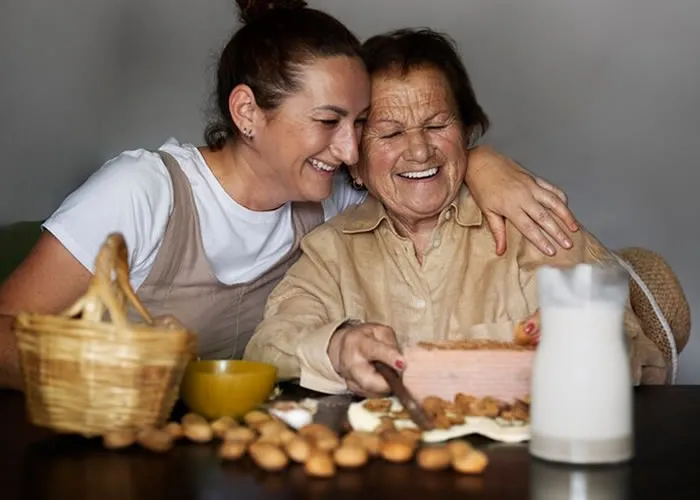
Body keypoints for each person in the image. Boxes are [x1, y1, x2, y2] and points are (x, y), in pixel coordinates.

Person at [0, 1, 578, 391]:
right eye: (329, 121)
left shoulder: (327, 199)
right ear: (248, 112)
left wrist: (481, 161)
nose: (350, 149)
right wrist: (112, 371)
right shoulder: (143, 193)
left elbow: (413, 168)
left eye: (359, 123)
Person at [243, 28, 667, 396]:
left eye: (437, 125)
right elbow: (267, 348)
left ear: (466, 133)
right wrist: (336, 347)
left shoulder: (530, 222)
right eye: (389, 132)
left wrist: (581, 343)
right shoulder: (331, 251)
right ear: (354, 156)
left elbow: (642, 357)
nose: (419, 150)